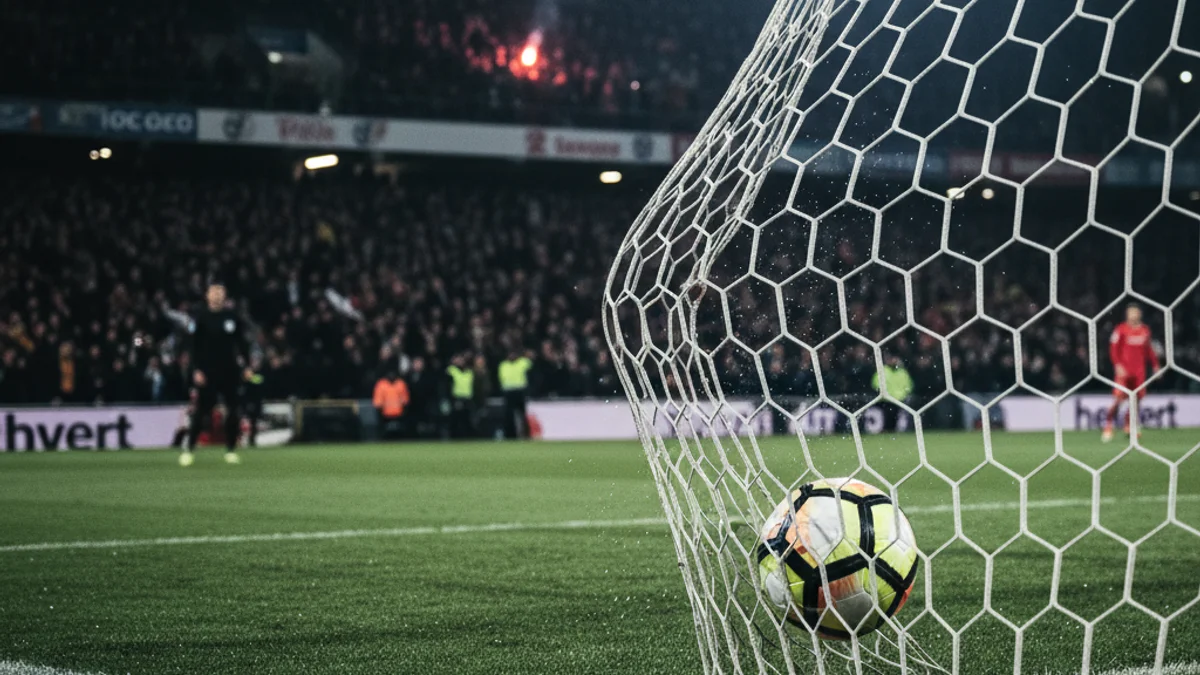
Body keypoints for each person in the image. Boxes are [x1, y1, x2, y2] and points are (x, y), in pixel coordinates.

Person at [181, 282, 249, 466]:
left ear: (225, 296)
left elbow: (242, 343)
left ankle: (230, 450)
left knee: (233, 411)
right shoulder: (201, 318)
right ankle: (189, 450)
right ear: (207, 296)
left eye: (221, 293)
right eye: (214, 292)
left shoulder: (232, 317)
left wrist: (247, 365)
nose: (217, 296)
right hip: (207, 372)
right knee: (202, 412)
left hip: (229, 371)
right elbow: (193, 346)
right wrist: (196, 370)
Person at [1103, 303, 1160, 442]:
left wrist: (1155, 365)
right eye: (1131, 313)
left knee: (1136, 400)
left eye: (1136, 312)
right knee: (1118, 399)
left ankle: (1129, 425)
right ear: (1127, 315)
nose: (1133, 315)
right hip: (1124, 371)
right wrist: (1117, 365)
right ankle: (1108, 425)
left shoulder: (1145, 330)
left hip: (1139, 372)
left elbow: (1149, 350)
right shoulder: (1121, 329)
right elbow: (1113, 349)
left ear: (1139, 314)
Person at [871, 354, 914, 432]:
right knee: (887, 416)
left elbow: (908, 385)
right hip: (886, 399)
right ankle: (886, 430)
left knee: (896, 416)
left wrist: (905, 394)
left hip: (899, 399)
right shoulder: (882, 371)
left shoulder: (902, 372)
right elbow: (876, 384)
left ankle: (892, 431)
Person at [498, 349, 534, 439]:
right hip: (508, 392)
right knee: (509, 415)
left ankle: (526, 434)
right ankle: (511, 435)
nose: (512, 356)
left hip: (520, 391)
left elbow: (532, 365)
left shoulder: (523, 362)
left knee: (523, 414)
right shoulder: (503, 365)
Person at [373, 370, 410, 441]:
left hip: (399, 414)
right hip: (385, 415)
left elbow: (405, 400)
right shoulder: (381, 384)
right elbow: (378, 402)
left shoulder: (401, 384)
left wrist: (404, 412)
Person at [446, 354, 475, 439]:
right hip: (456, 398)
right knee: (455, 420)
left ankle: (467, 438)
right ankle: (454, 437)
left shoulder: (469, 372)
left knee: (467, 421)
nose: (460, 361)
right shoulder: (451, 370)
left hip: (468, 399)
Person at [242, 354, 265, 447]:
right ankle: (242, 439)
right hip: (248, 400)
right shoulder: (245, 373)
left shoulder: (260, 373)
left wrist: (250, 378)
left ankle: (252, 439)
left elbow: (259, 380)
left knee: (254, 421)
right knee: (246, 420)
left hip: (257, 400)